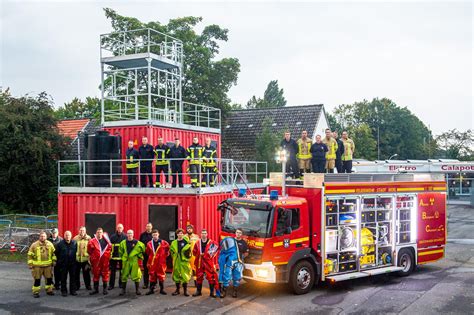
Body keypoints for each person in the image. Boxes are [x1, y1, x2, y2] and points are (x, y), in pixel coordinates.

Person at [218, 229, 248, 299]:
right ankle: (224, 291)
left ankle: (235, 291)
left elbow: (246, 253)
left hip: (238, 262)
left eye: (240, 233)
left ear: (241, 234)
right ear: (235, 233)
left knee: (237, 277)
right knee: (226, 276)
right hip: (229, 262)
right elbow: (223, 250)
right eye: (237, 232)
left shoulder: (243, 242)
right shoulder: (230, 240)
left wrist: (240, 257)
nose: (238, 234)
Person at [27, 231, 57, 298]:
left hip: (48, 266)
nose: (43, 237)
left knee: (49, 279)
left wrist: (54, 260)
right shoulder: (34, 245)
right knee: (37, 279)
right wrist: (30, 264)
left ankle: (49, 290)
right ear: (39, 237)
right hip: (37, 267)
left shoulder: (50, 244)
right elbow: (30, 255)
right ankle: (36, 292)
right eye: (41, 236)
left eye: (44, 236)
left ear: (46, 237)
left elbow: (53, 254)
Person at [192, 229, 220, 298]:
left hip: (208, 262)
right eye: (202, 233)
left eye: (205, 233)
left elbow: (214, 251)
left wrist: (206, 255)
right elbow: (194, 252)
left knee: (211, 277)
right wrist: (199, 255)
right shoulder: (197, 243)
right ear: (200, 234)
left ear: (207, 234)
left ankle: (211, 292)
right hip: (200, 262)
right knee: (199, 276)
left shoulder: (212, 243)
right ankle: (198, 291)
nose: (203, 234)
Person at [119, 229, 146, 296]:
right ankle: (123, 290)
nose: (129, 235)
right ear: (126, 234)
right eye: (128, 233)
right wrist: (123, 258)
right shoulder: (123, 243)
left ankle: (137, 290)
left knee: (136, 275)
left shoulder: (138, 243)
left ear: (133, 234)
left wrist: (139, 256)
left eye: (131, 233)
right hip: (126, 261)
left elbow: (143, 250)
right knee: (124, 275)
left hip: (134, 261)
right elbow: (120, 252)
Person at [87, 227, 112, 295]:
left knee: (105, 274)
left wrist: (107, 257)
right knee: (96, 275)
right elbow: (89, 251)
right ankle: (95, 289)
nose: (99, 234)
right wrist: (93, 258)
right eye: (98, 232)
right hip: (96, 262)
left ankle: (105, 289)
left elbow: (110, 248)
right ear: (96, 233)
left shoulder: (106, 240)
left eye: (100, 232)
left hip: (105, 261)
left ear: (102, 233)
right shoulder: (92, 241)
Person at [145, 229, 170, 296]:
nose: (155, 236)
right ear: (152, 235)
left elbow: (167, 252)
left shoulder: (164, 243)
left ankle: (162, 289)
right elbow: (147, 252)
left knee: (161, 275)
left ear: (158, 234)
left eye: (156, 235)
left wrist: (163, 258)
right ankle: (151, 290)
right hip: (152, 263)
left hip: (161, 263)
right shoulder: (149, 244)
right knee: (152, 276)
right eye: (153, 235)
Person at [170, 228, 192, 296]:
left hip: (184, 261)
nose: (180, 234)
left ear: (183, 234)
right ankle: (177, 290)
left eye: (182, 233)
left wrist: (187, 258)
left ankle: (185, 291)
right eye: (179, 233)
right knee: (176, 275)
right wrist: (174, 256)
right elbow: (171, 251)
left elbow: (190, 252)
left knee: (185, 275)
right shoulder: (173, 242)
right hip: (177, 261)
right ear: (177, 234)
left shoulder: (186, 242)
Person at [56, 231, 77, 297]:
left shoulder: (75, 243)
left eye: (69, 235)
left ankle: (72, 291)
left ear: (71, 236)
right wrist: (59, 262)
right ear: (64, 236)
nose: (67, 236)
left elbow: (77, 252)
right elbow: (57, 254)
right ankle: (64, 291)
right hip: (63, 264)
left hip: (72, 264)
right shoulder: (60, 244)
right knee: (63, 278)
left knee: (73, 278)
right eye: (66, 235)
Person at [108, 223, 126, 290]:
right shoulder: (112, 237)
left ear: (123, 228)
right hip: (114, 257)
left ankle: (121, 284)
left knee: (122, 271)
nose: (119, 229)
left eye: (121, 227)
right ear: (116, 228)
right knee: (112, 272)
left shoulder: (125, 236)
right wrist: (110, 255)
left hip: (122, 257)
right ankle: (111, 285)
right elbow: (110, 247)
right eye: (118, 227)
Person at [73, 226, 91, 291]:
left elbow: (91, 249)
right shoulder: (75, 238)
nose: (82, 232)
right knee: (76, 274)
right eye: (80, 230)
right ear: (79, 231)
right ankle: (77, 286)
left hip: (86, 260)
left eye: (83, 230)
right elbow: (73, 249)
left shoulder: (89, 238)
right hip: (77, 260)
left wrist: (89, 259)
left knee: (86, 274)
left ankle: (88, 286)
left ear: (85, 231)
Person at [139, 223, 153, 289]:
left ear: (151, 227)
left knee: (153, 270)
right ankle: (146, 284)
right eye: (147, 226)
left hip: (153, 255)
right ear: (146, 227)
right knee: (146, 270)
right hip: (145, 255)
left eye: (149, 226)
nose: (148, 227)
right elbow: (140, 244)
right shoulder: (142, 235)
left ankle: (153, 284)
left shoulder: (154, 234)